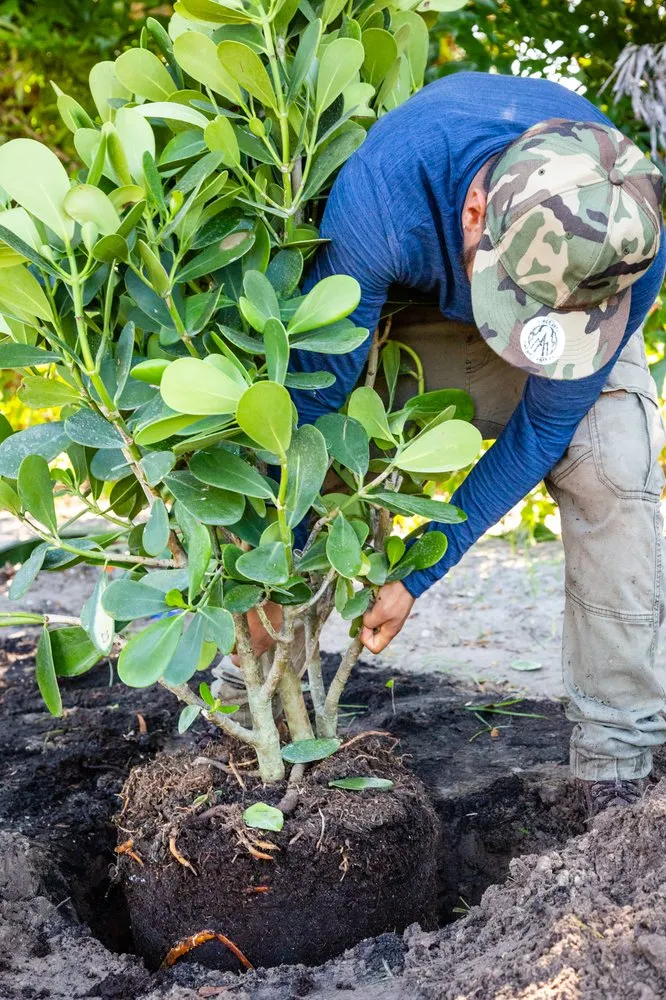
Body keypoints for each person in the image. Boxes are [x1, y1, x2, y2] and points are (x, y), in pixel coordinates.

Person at [246, 71, 666, 816]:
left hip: (566, 327)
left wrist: (417, 574)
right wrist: (269, 559)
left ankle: (617, 774)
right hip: (409, 315)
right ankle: (277, 723)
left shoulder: (628, 244)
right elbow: (314, 403)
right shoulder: (389, 194)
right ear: (476, 208)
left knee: (613, 465)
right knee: (327, 461)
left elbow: (543, 427)